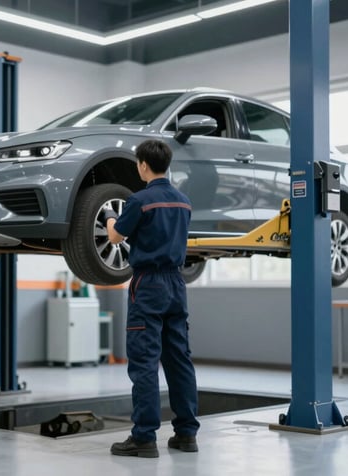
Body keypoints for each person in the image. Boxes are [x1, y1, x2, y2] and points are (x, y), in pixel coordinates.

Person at [105, 139, 200, 458]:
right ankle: (186, 434)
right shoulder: (184, 202)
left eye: (137, 163)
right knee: (179, 359)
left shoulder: (139, 200)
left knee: (145, 360)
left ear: (143, 165)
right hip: (176, 283)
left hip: (148, 284)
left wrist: (109, 218)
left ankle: (144, 438)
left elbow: (116, 236)